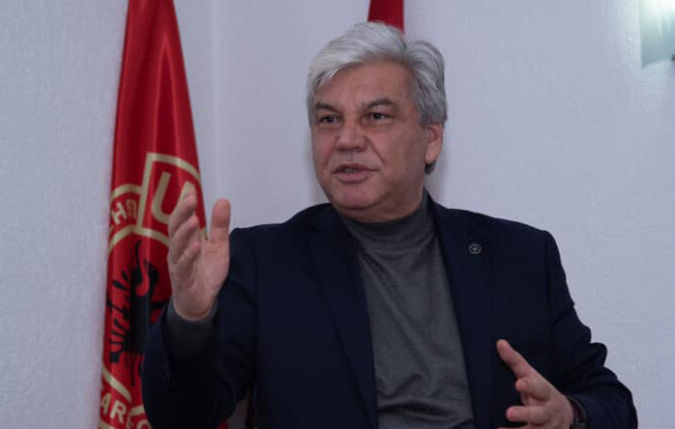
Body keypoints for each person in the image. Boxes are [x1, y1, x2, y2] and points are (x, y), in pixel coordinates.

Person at [142, 22, 636, 429]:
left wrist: (570, 416)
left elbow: (612, 403)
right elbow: (181, 417)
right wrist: (190, 320)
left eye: (375, 116)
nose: (347, 140)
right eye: (328, 120)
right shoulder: (263, 261)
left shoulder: (521, 256)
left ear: (431, 139)